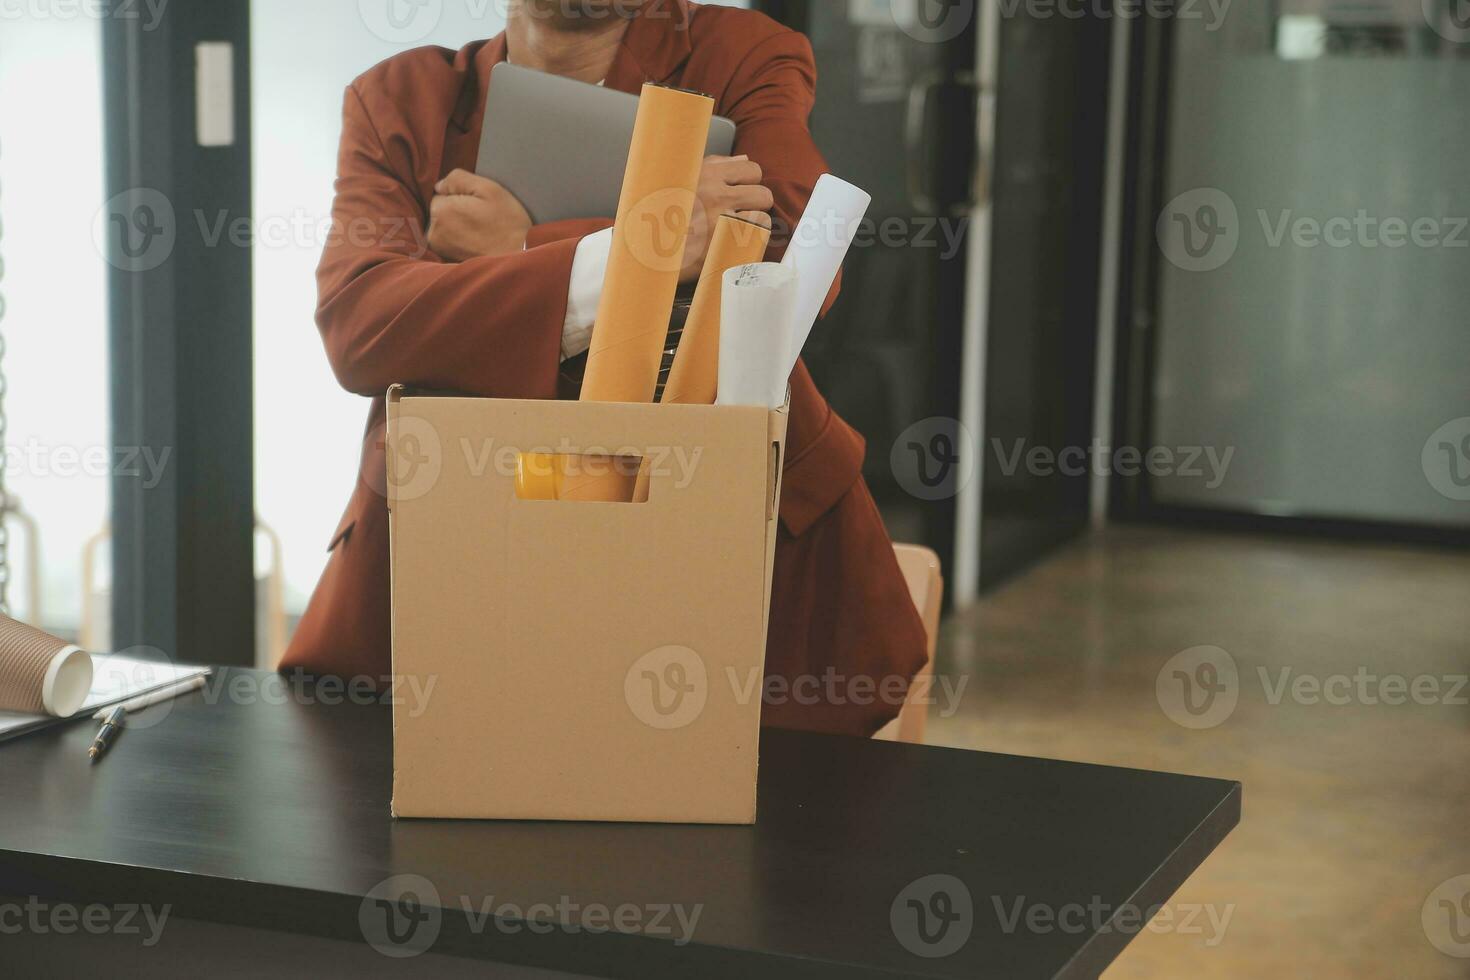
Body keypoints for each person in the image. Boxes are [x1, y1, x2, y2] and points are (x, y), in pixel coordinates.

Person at [281, 0, 928, 736]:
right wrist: (640, 248)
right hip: (461, 545)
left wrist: (525, 248)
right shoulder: (399, 98)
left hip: (714, 545)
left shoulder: (740, 52)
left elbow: (792, 268)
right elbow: (361, 322)